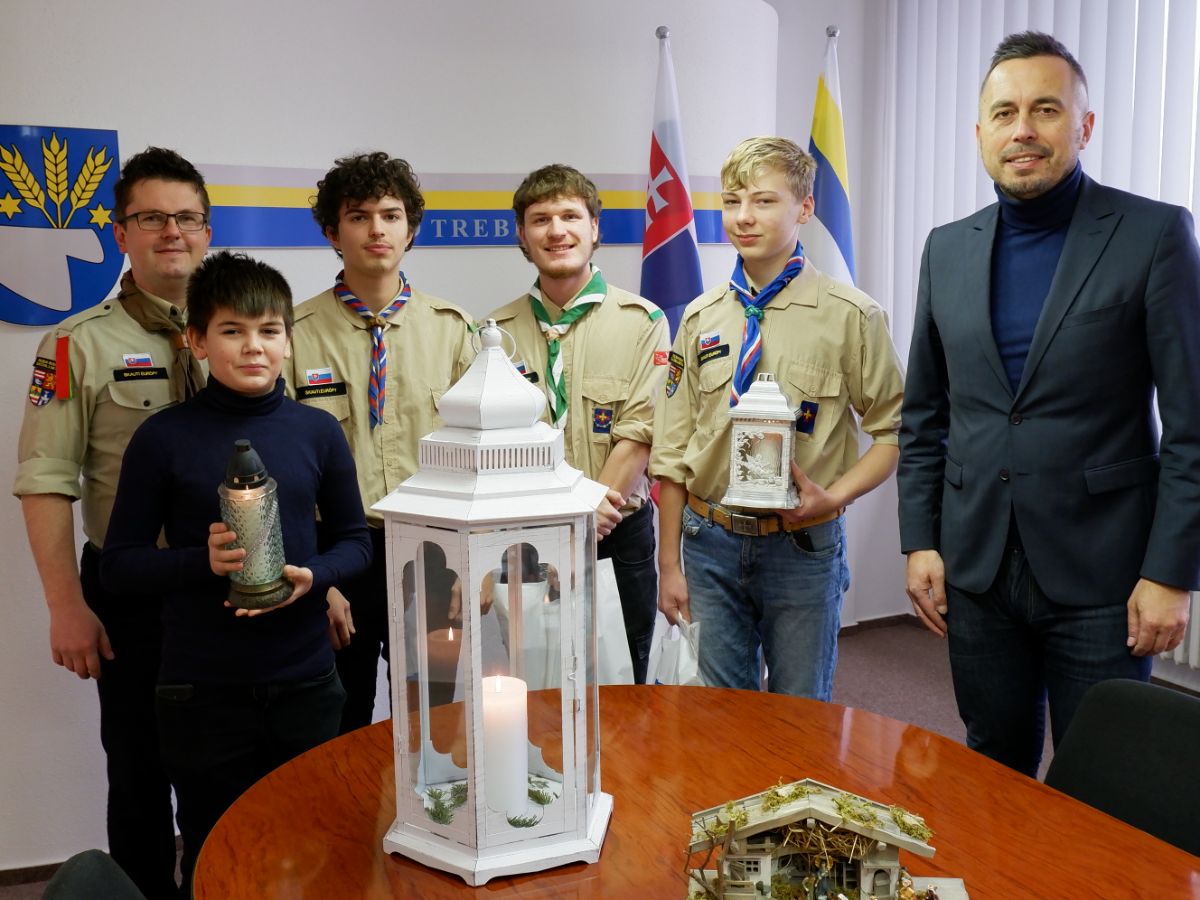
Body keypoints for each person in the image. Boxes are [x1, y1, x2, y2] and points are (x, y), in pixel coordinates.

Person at [898, 32, 1200, 776]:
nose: (1023, 129)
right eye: (1005, 113)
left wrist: (1171, 574)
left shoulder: (1154, 234)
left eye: (1046, 109)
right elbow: (925, 416)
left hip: (1103, 572)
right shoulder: (946, 249)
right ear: (982, 132)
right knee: (990, 767)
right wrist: (920, 540)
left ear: (1083, 126)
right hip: (976, 566)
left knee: (1104, 777)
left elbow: (1191, 426)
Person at [100, 251, 372, 893]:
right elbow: (119, 566)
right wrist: (204, 562)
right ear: (197, 340)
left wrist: (314, 577)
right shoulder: (164, 437)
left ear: (288, 340)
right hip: (203, 688)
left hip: (305, 679)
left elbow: (356, 542)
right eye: (232, 330)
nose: (254, 346)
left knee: (312, 841)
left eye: (269, 330)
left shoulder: (317, 431)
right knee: (216, 845)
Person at [13, 146, 211, 899]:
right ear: (120, 232)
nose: (172, 232)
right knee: (138, 774)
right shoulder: (76, 343)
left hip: (230, 586)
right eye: (151, 217)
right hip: (134, 592)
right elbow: (46, 479)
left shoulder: (245, 329)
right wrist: (66, 605)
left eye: (187, 217)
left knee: (224, 767)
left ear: (207, 230)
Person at [651, 137, 904, 699]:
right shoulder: (699, 318)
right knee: (721, 712)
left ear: (805, 208)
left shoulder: (852, 316)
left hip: (801, 545)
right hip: (709, 541)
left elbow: (892, 433)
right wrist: (669, 563)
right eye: (732, 201)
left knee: (800, 711)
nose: (743, 217)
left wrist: (833, 498)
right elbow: (670, 452)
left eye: (764, 201)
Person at [285, 152, 474, 732]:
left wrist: (469, 565)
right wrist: (318, 580)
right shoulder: (292, 334)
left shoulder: (452, 330)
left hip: (434, 550)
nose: (377, 229)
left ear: (410, 229)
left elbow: (479, 459)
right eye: (358, 216)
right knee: (341, 721)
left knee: (438, 718)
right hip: (338, 552)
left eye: (391, 215)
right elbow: (283, 473)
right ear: (331, 232)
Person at [488, 164, 670, 683]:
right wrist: (549, 537)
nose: (556, 231)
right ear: (522, 235)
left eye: (570, 216)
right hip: (524, 539)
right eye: (540, 219)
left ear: (594, 228)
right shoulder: (493, 334)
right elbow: (492, 442)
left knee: (623, 681)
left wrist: (583, 523)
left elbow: (639, 433)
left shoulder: (643, 322)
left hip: (614, 532)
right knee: (535, 680)